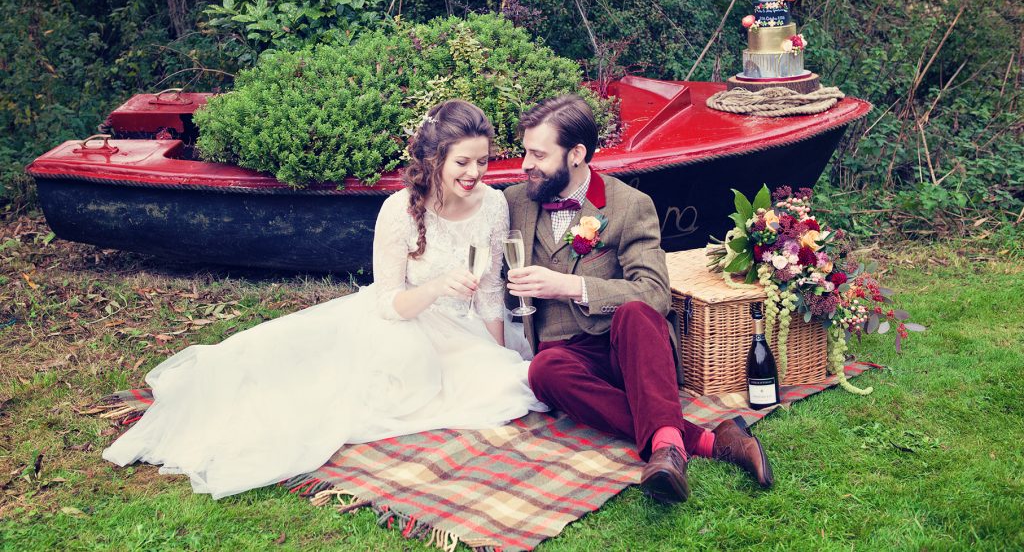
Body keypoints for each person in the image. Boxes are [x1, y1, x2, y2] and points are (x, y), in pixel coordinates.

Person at [103, 100, 546, 499]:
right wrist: (436, 286)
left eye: (483, 161)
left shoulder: (492, 205)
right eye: (463, 162)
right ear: (435, 159)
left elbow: (490, 292)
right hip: (403, 325)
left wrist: (498, 354)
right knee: (306, 384)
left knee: (502, 385)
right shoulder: (399, 209)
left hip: (463, 333)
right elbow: (388, 304)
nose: (474, 173)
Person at [504, 94, 773, 504]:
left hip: (630, 351)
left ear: (576, 154)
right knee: (542, 370)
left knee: (636, 311)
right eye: (526, 151)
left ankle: (669, 452)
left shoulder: (629, 205)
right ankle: (699, 440)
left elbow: (654, 293)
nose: (525, 163)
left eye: (537, 154)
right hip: (571, 362)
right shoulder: (514, 202)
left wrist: (570, 286)